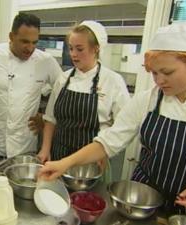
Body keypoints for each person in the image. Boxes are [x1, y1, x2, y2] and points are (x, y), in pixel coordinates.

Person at [39, 24, 186, 223]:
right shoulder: (147, 101)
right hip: (141, 202)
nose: (159, 81)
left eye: (167, 72)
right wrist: (64, 164)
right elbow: (109, 141)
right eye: (154, 73)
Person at [0, 13, 62, 165]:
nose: (30, 48)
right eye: (24, 41)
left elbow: (62, 93)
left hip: (25, 146)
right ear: (11, 36)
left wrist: (45, 117)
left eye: (34, 42)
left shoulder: (46, 61)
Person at [37, 21, 130, 163]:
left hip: (92, 161)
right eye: (71, 48)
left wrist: (105, 153)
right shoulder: (63, 78)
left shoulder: (113, 81)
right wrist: (45, 149)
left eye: (80, 49)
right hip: (59, 155)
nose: (73, 54)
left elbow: (123, 127)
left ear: (96, 49)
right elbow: (50, 119)